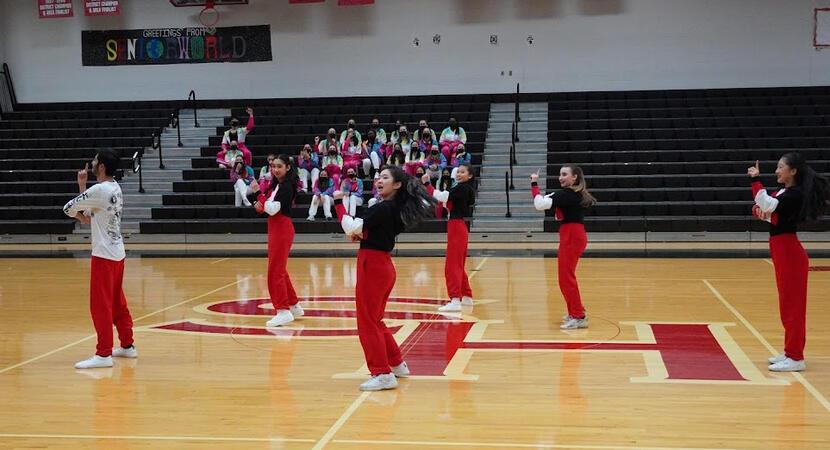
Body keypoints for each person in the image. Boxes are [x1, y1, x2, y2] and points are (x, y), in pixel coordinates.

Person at [332, 165, 437, 391]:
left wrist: (339, 203)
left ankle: (381, 372)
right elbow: (368, 231)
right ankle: (397, 364)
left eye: (385, 178)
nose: (379, 180)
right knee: (375, 319)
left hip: (373, 265)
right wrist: (362, 234)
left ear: (397, 184)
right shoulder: (393, 209)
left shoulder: (382, 208)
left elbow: (351, 227)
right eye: (378, 177)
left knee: (367, 322)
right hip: (383, 265)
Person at [747, 154, 830, 372]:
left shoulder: (794, 194)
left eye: (780, 167)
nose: (777, 171)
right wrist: (761, 210)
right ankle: (789, 350)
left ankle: (796, 357)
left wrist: (755, 180)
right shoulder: (783, 192)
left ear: (792, 171)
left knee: (793, 307)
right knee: (786, 305)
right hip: (780, 248)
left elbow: (766, 204)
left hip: (789, 252)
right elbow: (766, 212)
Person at [63, 148, 136, 369]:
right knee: (116, 302)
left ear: (102, 166)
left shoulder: (100, 189)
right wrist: (82, 186)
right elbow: (89, 216)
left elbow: (68, 208)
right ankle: (127, 345)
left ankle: (103, 354)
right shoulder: (115, 188)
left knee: (100, 305)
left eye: (95, 161)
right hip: (118, 253)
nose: (92, 163)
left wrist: (82, 192)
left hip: (104, 254)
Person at [531, 165, 596, 329]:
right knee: (565, 277)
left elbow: (539, 204)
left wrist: (534, 183)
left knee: (566, 278)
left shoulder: (567, 193)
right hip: (571, 234)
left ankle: (579, 316)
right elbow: (545, 200)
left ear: (574, 177)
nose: (560, 177)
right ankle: (576, 311)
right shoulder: (569, 193)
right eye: (560, 174)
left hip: (572, 235)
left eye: (564, 174)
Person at [254, 154, 303, 327]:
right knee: (279, 268)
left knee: (275, 271)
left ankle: (283, 311)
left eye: (279, 166)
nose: (275, 169)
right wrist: (259, 203)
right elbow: (266, 206)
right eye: (273, 166)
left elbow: (273, 209)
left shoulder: (287, 186)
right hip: (276, 227)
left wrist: (258, 193)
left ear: (287, 168)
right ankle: (294, 305)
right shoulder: (276, 185)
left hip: (281, 227)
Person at [424, 163, 477, 312]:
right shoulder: (465, 189)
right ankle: (466, 296)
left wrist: (428, 184)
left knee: (452, 265)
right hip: (458, 227)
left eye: (462, 172)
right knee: (458, 264)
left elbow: (441, 197)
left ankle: (455, 300)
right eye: (458, 171)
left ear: (470, 175)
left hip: (456, 227)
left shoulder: (461, 188)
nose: (459, 174)